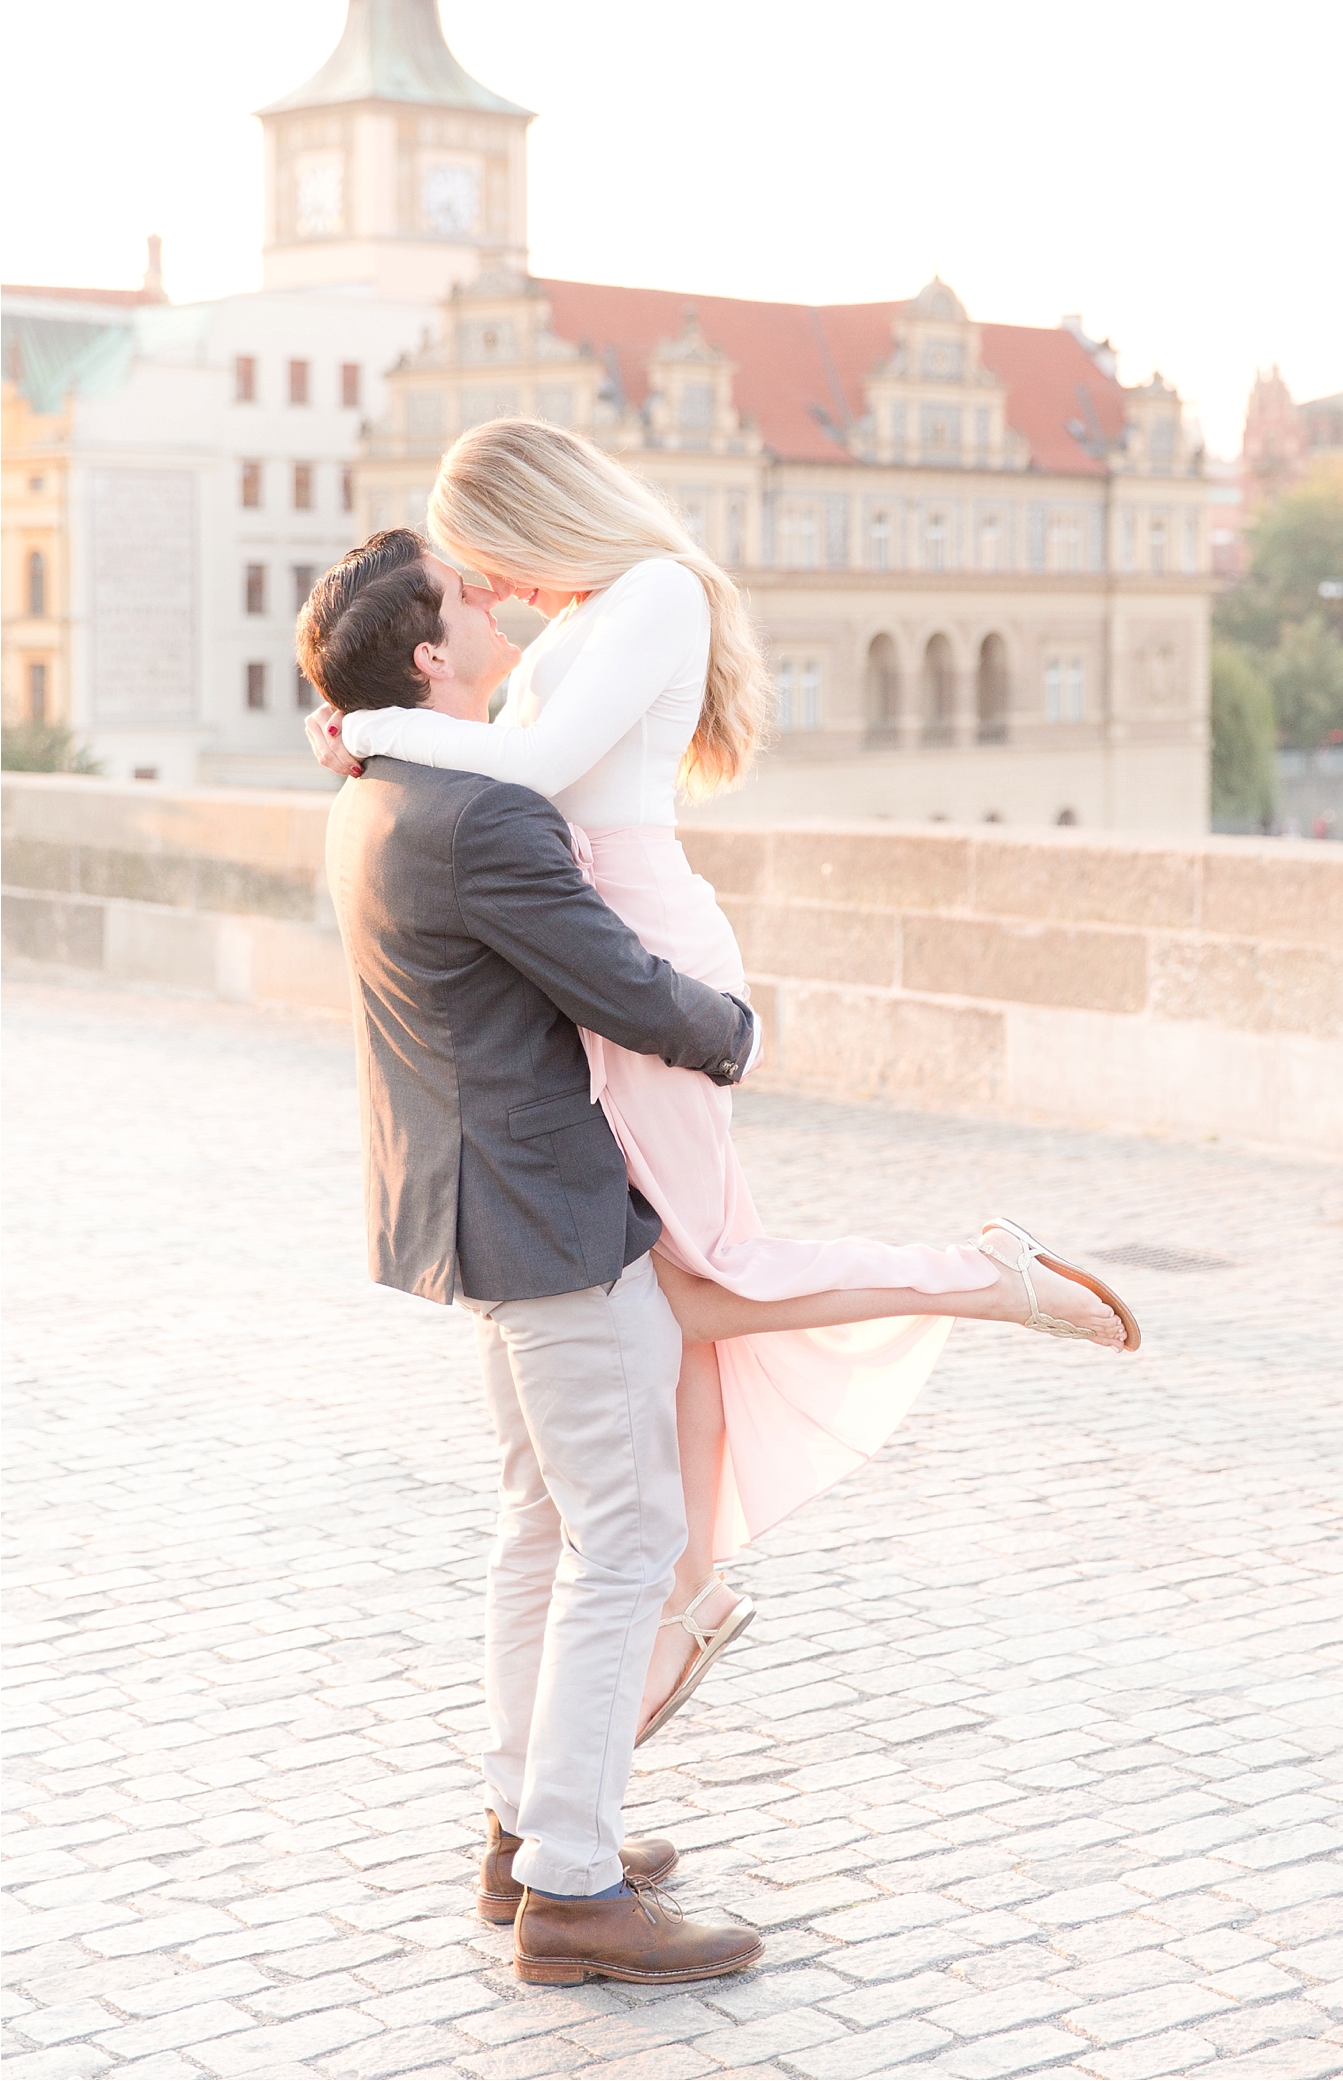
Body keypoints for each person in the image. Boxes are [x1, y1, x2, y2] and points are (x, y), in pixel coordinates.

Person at [305, 421, 1138, 1748]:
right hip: (591, 955)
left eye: (486, 560)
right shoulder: (585, 616)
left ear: (535, 515)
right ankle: (689, 1592)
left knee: (701, 1273)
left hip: (645, 958)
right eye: (472, 582)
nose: (494, 592)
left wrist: (378, 726)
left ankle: (982, 1277)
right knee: (679, 1288)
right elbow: (494, 771)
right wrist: (384, 737)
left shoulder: (658, 593)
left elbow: (518, 773)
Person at [297, 534, 766, 1988]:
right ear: (429, 658)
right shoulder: (476, 816)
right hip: (552, 1222)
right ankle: (572, 1886)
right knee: (625, 1538)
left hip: (472, 1219)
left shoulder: (375, 790)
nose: (486, 602)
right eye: (461, 597)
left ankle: (526, 1828)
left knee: (541, 1529)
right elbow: (612, 981)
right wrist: (731, 1027)